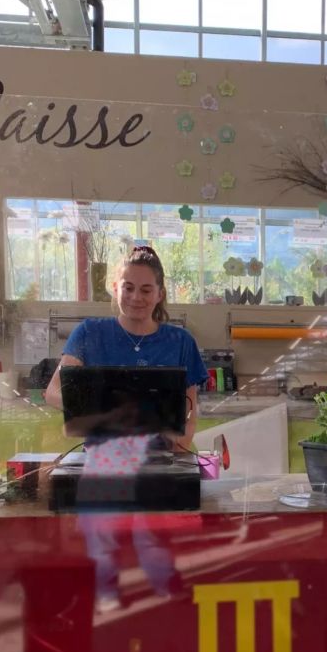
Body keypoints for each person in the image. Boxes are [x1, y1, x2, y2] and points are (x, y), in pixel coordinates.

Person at [45, 246, 208, 609]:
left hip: (159, 458)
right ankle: (106, 593)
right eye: (128, 287)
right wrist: (104, 410)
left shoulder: (180, 343)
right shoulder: (90, 333)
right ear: (115, 288)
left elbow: (190, 409)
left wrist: (182, 443)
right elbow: (54, 393)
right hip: (103, 456)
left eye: (146, 289)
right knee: (102, 536)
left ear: (160, 294)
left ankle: (164, 591)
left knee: (152, 537)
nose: (136, 297)